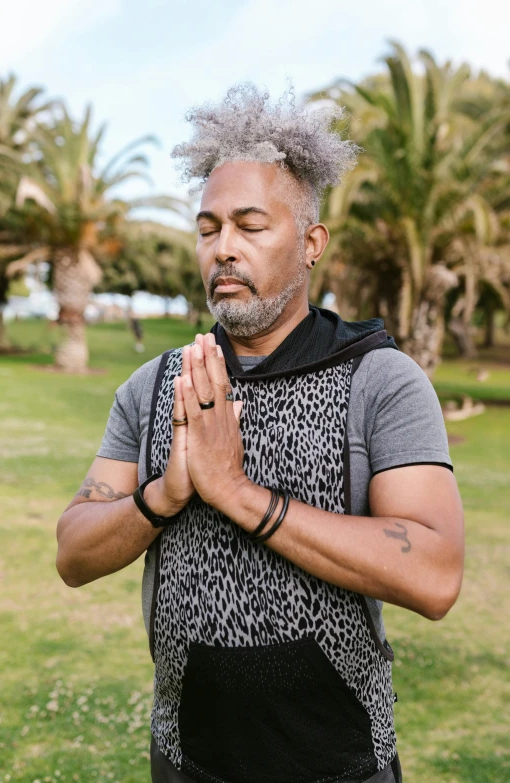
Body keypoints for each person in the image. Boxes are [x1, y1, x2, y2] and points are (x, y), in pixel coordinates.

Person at [56, 84, 464, 783]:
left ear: (311, 244)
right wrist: (164, 495)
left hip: (339, 765)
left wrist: (241, 495)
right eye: (209, 227)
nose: (224, 249)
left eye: (251, 225)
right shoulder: (158, 385)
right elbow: (73, 552)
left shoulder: (381, 379)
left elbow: (434, 575)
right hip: (187, 761)